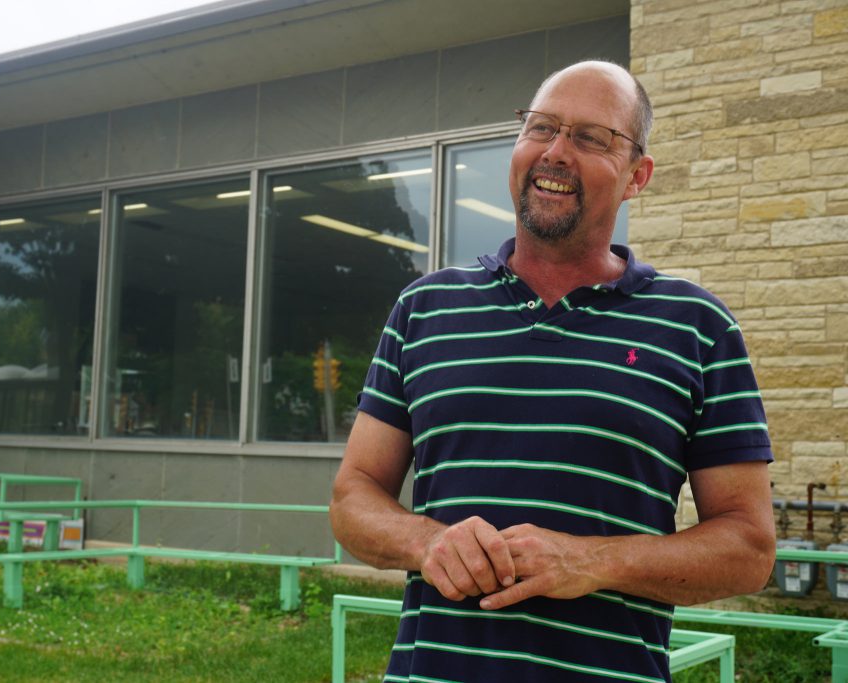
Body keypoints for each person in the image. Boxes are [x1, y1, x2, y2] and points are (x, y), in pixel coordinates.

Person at [329, 60, 775, 683]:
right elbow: (354, 495)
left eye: (592, 138)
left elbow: (748, 549)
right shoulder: (424, 309)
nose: (557, 152)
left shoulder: (697, 326)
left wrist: (594, 561)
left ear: (636, 177)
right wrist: (426, 542)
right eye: (541, 128)